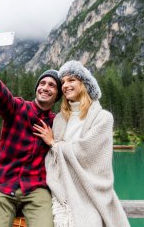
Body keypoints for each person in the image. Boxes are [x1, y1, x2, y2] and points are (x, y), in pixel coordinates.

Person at [0, 31, 62, 227]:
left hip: (36, 189)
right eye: (42, 83)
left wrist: (53, 141)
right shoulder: (16, 108)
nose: (45, 87)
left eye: (52, 85)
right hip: (3, 185)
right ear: (36, 88)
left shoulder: (58, 123)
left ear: (57, 95)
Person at [33, 60, 130, 227]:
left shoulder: (103, 118)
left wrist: (54, 144)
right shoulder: (59, 120)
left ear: (84, 84)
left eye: (71, 80)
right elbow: (52, 160)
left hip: (90, 192)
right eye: (63, 82)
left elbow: (86, 152)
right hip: (61, 191)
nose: (65, 85)